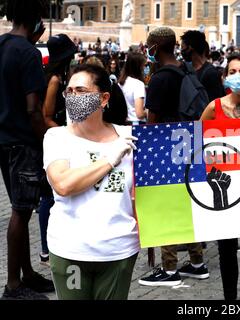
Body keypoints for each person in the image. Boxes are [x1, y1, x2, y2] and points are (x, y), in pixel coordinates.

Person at [43, 64, 140, 299]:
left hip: (118, 250)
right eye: (69, 92)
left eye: (81, 91)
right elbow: (63, 184)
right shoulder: (57, 137)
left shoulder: (129, 138)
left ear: (103, 98)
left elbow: (139, 194)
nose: (73, 97)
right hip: (70, 250)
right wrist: (109, 159)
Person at [139, 27, 209, 286]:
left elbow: (152, 120)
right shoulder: (185, 69)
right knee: (188, 204)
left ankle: (169, 270)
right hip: (190, 142)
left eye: (149, 44)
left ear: (155, 46)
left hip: (166, 146)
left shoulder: (160, 78)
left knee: (165, 206)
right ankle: (197, 262)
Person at [0, 0, 54, 300]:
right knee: (21, 211)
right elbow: (34, 109)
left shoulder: (2, 45)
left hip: (4, 139)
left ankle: (27, 274)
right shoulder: (29, 53)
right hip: (23, 141)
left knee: (19, 206)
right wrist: (47, 139)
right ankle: (12, 286)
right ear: (35, 20)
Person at [200, 52, 240, 300]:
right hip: (223, 187)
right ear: (225, 77)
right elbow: (198, 143)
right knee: (226, 249)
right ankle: (230, 301)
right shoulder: (213, 108)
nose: (237, 76)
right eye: (232, 71)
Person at [38, 33, 77, 267]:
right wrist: (65, 132)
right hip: (55, 138)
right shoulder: (54, 79)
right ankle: (45, 249)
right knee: (47, 197)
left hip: (60, 135)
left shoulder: (60, 76)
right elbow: (46, 116)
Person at [180, 30, 225, 102]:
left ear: (190, 48)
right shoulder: (187, 70)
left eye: (182, 47)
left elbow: (215, 104)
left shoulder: (211, 73)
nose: (181, 51)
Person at [118, 52, 147, 125]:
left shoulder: (120, 83)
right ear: (138, 67)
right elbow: (139, 114)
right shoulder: (138, 84)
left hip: (123, 124)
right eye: (144, 65)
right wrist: (147, 111)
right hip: (136, 124)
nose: (145, 68)